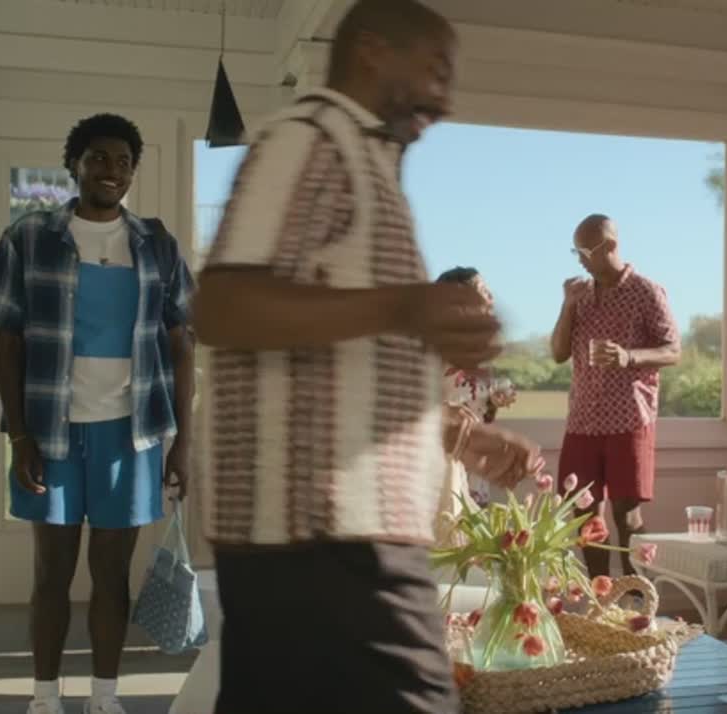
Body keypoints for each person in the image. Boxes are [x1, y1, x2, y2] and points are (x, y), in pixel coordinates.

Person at [192, 2, 544, 712]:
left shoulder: (366, 168)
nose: (445, 99)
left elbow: (342, 374)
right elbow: (221, 307)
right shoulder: (310, 140)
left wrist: (462, 436)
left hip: (335, 542)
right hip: (325, 541)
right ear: (373, 51)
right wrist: (406, 307)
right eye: (436, 70)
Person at [0, 113, 196, 714]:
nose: (111, 170)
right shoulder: (30, 237)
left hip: (132, 434)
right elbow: (6, 338)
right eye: (98, 158)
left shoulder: (157, 245)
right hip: (51, 431)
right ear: (74, 164)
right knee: (51, 572)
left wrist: (183, 442)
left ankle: (104, 697)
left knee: (112, 574)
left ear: (133, 172)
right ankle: (45, 697)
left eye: (123, 161)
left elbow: (181, 344)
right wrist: (20, 435)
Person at [550, 214, 680, 577]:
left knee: (627, 514)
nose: (580, 260)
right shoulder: (579, 295)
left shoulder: (646, 291)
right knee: (584, 516)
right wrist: (567, 305)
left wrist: (628, 357)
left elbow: (673, 350)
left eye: (585, 251)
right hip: (582, 421)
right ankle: (600, 599)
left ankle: (637, 601)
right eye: (575, 252)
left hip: (629, 419)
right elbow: (558, 353)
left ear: (610, 246)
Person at [433, 267, 517, 545]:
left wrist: (494, 401)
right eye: (483, 291)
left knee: (473, 543)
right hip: (441, 461)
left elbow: (483, 412)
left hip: (474, 460)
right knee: (445, 539)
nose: (491, 297)